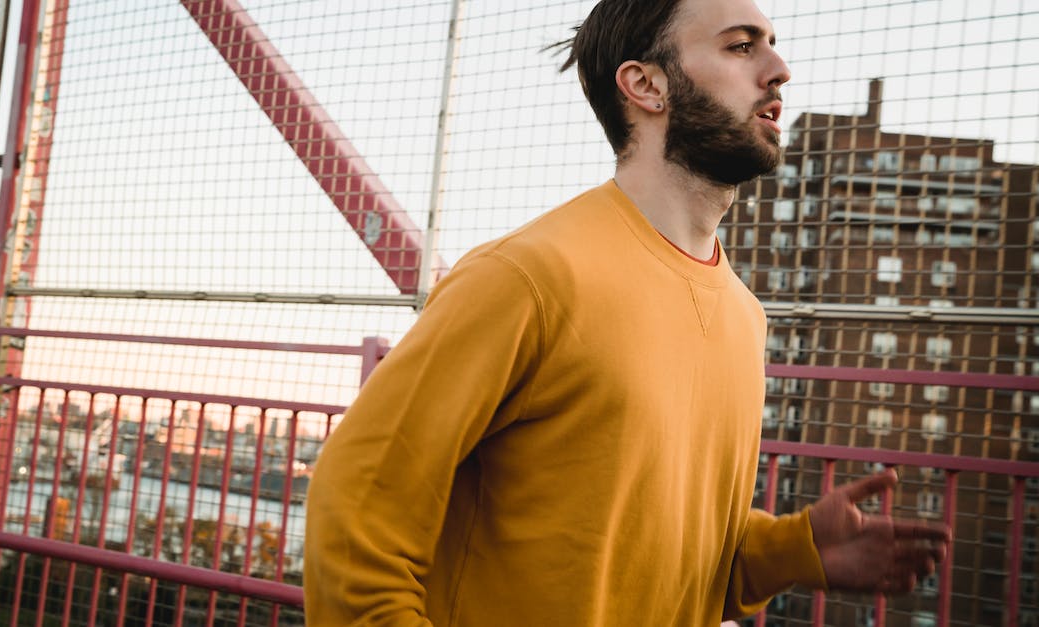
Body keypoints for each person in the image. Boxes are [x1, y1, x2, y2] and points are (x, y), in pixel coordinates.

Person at [303, 0, 951, 624]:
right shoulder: (528, 277)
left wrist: (793, 549)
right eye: (741, 45)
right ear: (646, 85)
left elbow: (665, 557)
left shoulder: (744, 316)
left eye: (773, 45)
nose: (778, 68)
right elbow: (354, 509)